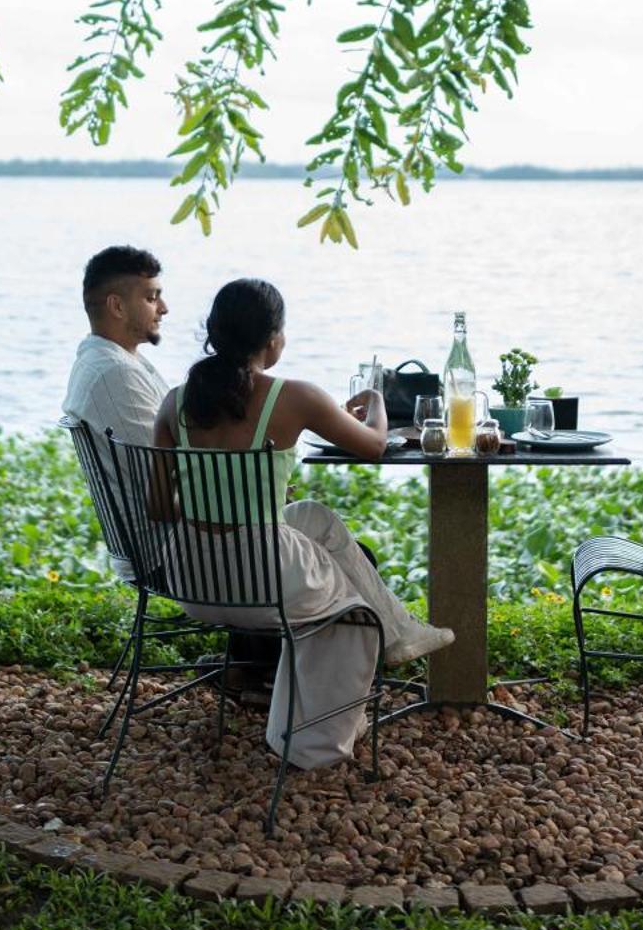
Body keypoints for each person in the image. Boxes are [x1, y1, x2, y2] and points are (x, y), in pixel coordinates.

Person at [153, 277, 453, 768]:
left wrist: (220, 496)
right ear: (273, 339)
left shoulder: (174, 402)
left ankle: (403, 634)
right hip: (259, 578)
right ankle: (313, 742)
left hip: (190, 575)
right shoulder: (294, 397)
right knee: (352, 610)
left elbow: (161, 509)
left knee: (313, 517)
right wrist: (375, 401)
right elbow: (374, 445)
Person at [59, 245, 169, 575]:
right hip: (168, 554)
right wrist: (245, 495)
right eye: (151, 297)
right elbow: (163, 481)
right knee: (309, 530)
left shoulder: (115, 361)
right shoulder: (114, 373)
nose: (163, 308)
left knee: (310, 522)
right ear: (117, 306)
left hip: (179, 541)